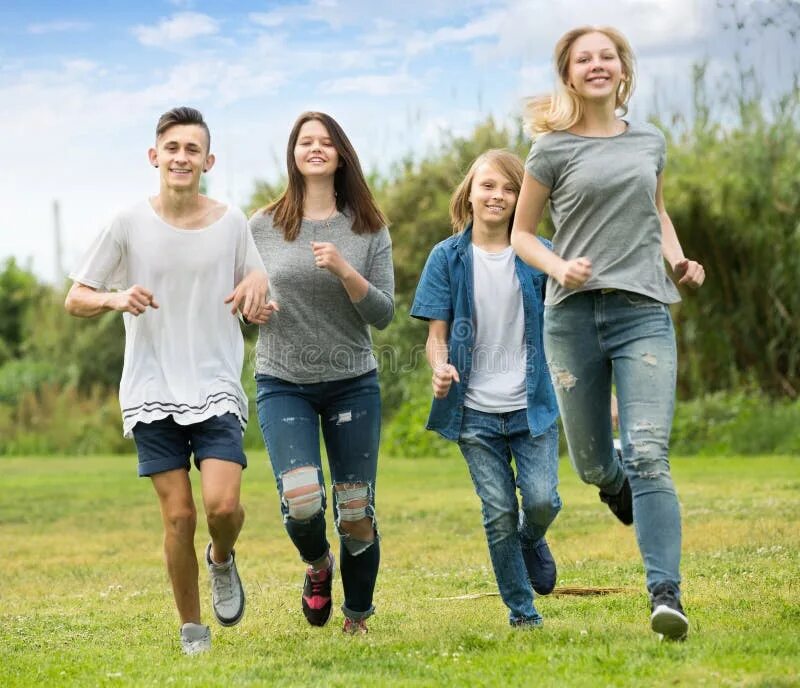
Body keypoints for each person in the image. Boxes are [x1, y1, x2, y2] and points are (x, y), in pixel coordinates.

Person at [510, 26, 705, 640]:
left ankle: (665, 594)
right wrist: (558, 266)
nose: (597, 65)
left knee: (648, 453)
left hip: (642, 310)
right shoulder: (550, 150)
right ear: (569, 74)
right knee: (594, 463)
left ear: (623, 69)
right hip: (571, 318)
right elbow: (521, 235)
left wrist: (678, 259)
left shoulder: (650, 141)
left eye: (607, 56)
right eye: (583, 59)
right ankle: (612, 484)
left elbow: (657, 210)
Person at [65, 106, 271, 655]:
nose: (182, 158)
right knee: (179, 515)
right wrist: (115, 298)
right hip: (151, 387)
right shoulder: (127, 222)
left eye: (192, 150)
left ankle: (221, 558)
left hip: (215, 382)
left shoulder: (232, 222)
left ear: (209, 161)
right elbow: (76, 297)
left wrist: (256, 284)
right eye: (172, 148)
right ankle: (192, 630)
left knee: (222, 508)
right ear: (154, 156)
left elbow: (255, 275)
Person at [249, 111, 394, 635]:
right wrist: (249, 308)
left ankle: (357, 618)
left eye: (326, 142)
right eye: (305, 141)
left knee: (355, 509)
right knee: (303, 498)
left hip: (352, 380)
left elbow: (383, 313)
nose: (315, 148)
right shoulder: (261, 225)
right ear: (293, 154)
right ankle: (317, 564)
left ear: (340, 155)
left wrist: (345, 271)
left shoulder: (368, 228)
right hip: (282, 380)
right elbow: (242, 296)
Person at [410, 149, 561, 628]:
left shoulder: (540, 254)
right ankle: (523, 613)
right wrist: (440, 368)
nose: (498, 195)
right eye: (488, 185)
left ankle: (530, 538)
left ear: (522, 198)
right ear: (470, 194)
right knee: (498, 512)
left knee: (542, 501)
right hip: (473, 411)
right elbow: (436, 335)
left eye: (510, 188)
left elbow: (568, 326)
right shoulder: (446, 257)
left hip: (533, 405)